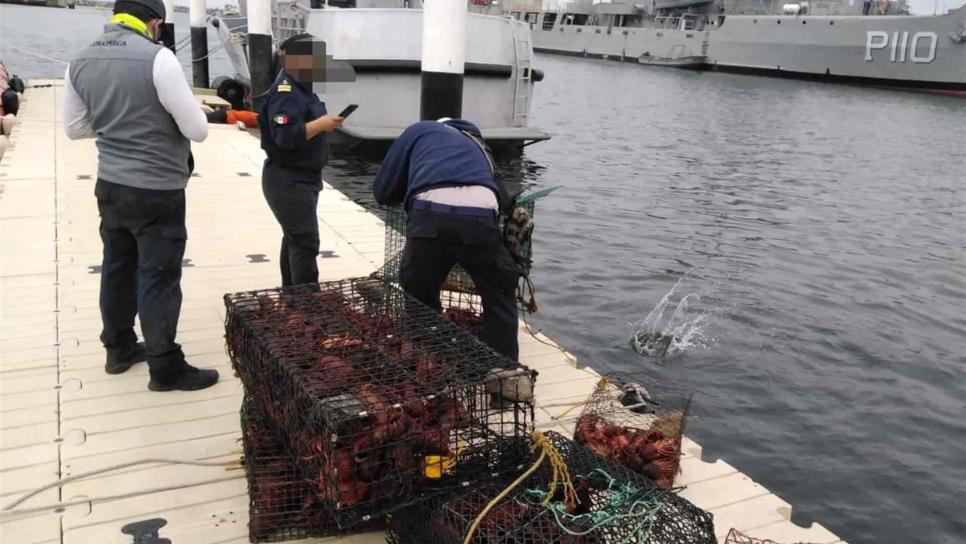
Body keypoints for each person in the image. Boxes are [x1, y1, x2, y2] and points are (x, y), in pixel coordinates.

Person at [63, 0, 219, 391]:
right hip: (157, 189)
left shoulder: (78, 60)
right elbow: (197, 129)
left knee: (117, 267)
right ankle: (164, 366)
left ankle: (118, 350)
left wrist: (118, 124)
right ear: (154, 23)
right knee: (159, 276)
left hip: (111, 185)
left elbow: (75, 128)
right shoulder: (159, 59)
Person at [372, 119, 520, 361]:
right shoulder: (480, 146)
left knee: (419, 293)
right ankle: (504, 377)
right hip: (480, 221)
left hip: (428, 220)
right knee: (499, 296)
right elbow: (503, 199)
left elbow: (382, 192)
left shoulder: (419, 130)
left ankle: (428, 362)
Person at [259, 34, 344, 287]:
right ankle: (308, 305)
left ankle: (292, 299)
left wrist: (322, 125)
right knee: (305, 242)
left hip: (304, 178)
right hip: (288, 179)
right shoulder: (286, 92)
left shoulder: (303, 89)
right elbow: (284, 136)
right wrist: (320, 124)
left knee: (295, 238)